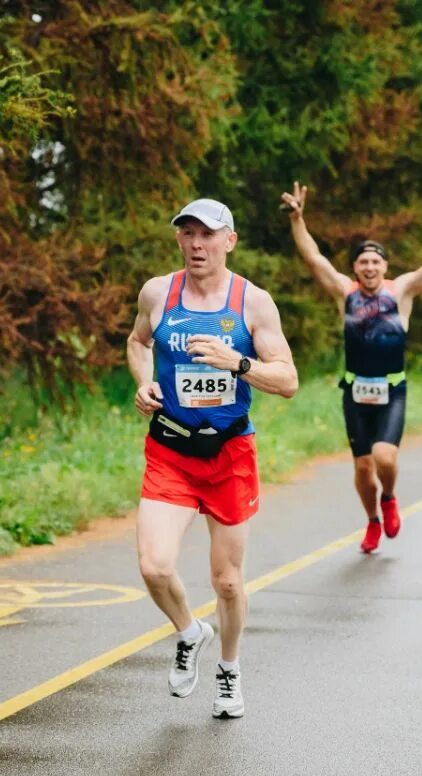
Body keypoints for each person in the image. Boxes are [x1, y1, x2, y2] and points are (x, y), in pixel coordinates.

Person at [127, 198, 298, 720]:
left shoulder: (253, 303)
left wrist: (237, 361)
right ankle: (187, 631)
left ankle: (229, 669)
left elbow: (287, 380)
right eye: (188, 234)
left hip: (229, 454)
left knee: (227, 580)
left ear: (230, 240)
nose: (197, 244)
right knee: (155, 567)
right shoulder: (159, 292)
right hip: (171, 448)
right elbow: (136, 343)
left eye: (208, 234)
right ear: (179, 239)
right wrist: (144, 382)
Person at [281, 181, 422, 553]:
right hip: (355, 390)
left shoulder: (400, 292)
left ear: (385, 267)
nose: (369, 267)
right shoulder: (345, 293)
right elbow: (314, 258)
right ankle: (371, 520)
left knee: (384, 457)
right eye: (363, 262)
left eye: (376, 261)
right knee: (362, 468)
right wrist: (298, 220)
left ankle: (390, 497)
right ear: (355, 268)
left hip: (391, 389)